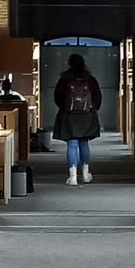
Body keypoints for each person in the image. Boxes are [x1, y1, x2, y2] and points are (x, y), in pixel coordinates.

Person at [53, 52, 102, 185]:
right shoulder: (90, 79)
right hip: (87, 116)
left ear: (69, 63)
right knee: (84, 143)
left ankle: (73, 176)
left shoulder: (64, 79)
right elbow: (98, 96)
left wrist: (66, 108)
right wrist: (92, 108)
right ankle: (86, 175)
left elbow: (57, 97)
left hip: (69, 116)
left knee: (72, 144)